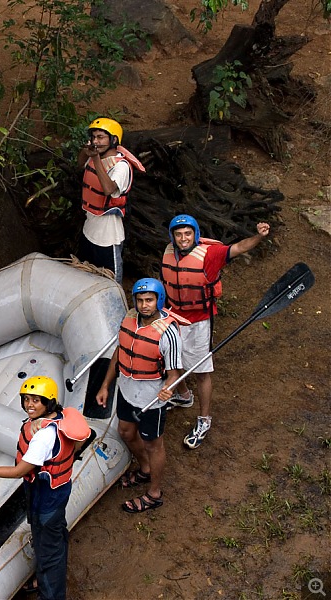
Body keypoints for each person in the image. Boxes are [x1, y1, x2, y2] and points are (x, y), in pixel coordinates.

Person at [0, 376, 90, 600]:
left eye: (36, 401)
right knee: (49, 536)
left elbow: (18, 471)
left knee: (49, 550)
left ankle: (51, 594)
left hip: (47, 497)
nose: (29, 405)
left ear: (48, 403)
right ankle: (45, 570)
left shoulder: (43, 437)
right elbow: (80, 439)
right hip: (53, 490)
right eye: (26, 399)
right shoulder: (59, 418)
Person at [161, 215, 270, 449]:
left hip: (200, 321)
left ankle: (204, 420)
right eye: (178, 234)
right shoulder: (169, 251)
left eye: (187, 234)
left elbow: (240, 247)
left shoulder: (210, 255)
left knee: (201, 372)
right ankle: (184, 396)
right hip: (175, 316)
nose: (182, 239)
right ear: (172, 236)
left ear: (195, 235)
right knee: (173, 359)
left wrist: (259, 236)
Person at [96, 278, 183, 514]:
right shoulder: (128, 319)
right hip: (126, 389)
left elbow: (174, 374)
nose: (144, 305)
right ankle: (144, 469)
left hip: (151, 398)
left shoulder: (168, 334)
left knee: (153, 444)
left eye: (149, 300)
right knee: (125, 431)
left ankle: (154, 494)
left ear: (159, 301)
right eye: (140, 300)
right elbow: (120, 352)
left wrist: (169, 388)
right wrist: (105, 385)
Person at [75, 118, 145, 283]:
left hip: (108, 236)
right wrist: (86, 152)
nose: (95, 141)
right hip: (89, 230)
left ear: (113, 140)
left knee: (111, 282)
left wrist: (96, 158)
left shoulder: (121, 167)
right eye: (93, 137)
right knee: (83, 276)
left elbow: (109, 189)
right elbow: (80, 164)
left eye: (100, 137)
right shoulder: (94, 156)